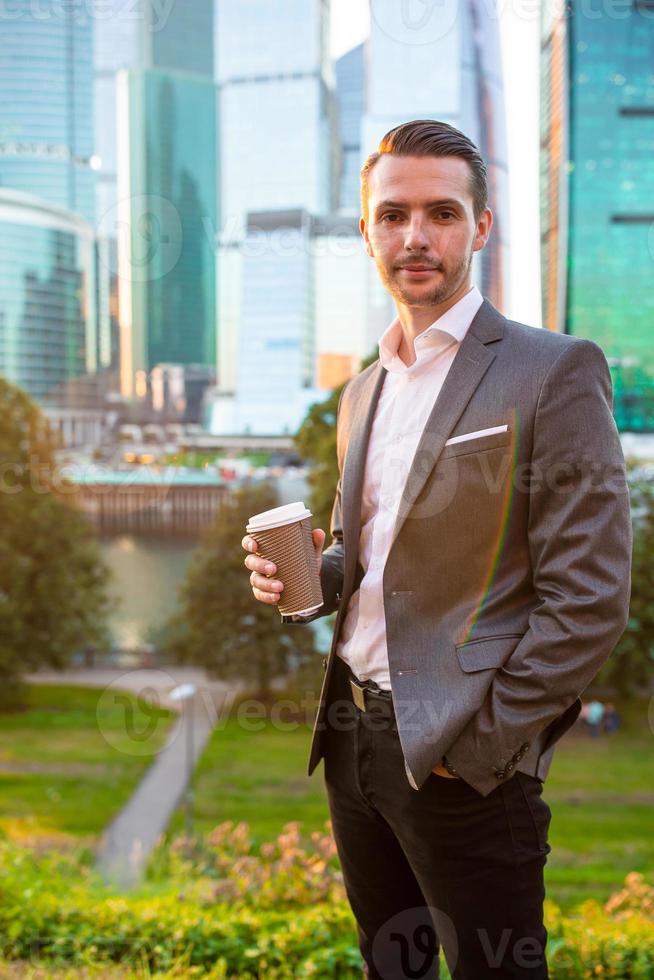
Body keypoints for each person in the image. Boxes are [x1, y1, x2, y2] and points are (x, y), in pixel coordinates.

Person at [242, 120, 632, 979]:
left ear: (481, 227)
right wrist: (306, 575)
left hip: (464, 758)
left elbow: (590, 598)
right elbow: (369, 555)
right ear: (366, 232)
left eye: (442, 213)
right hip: (351, 739)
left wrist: (480, 747)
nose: (415, 238)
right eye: (393, 215)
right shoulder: (362, 390)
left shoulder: (554, 370)